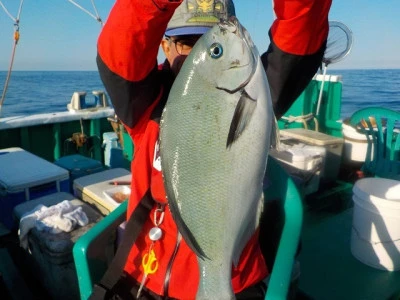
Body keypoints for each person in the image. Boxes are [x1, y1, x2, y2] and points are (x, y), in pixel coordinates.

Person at [96, 0, 332, 298]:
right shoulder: (145, 105)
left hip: (235, 281)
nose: (197, 53)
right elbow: (121, 46)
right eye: (186, 43)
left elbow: (300, 34)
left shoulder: (253, 92)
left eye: (209, 46)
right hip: (144, 278)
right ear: (165, 47)